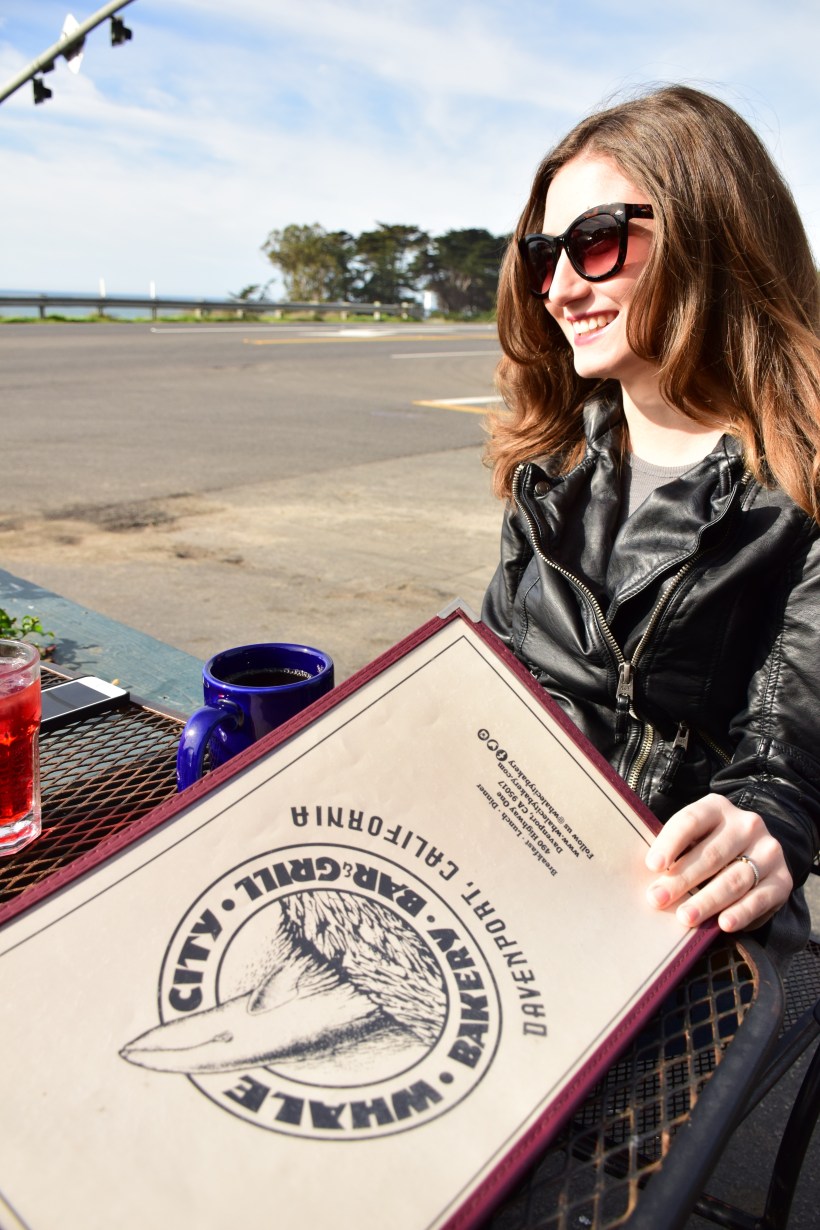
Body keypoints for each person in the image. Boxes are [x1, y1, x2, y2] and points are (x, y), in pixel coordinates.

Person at [481, 85, 820, 957]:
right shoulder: (548, 470)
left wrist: (759, 827)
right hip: (510, 898)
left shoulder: (804, 490)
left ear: (713, 233)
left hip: (683, 934)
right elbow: (492, 694)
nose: (557, 289)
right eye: (543, 253)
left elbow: (785, 756)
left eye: (596, 242)